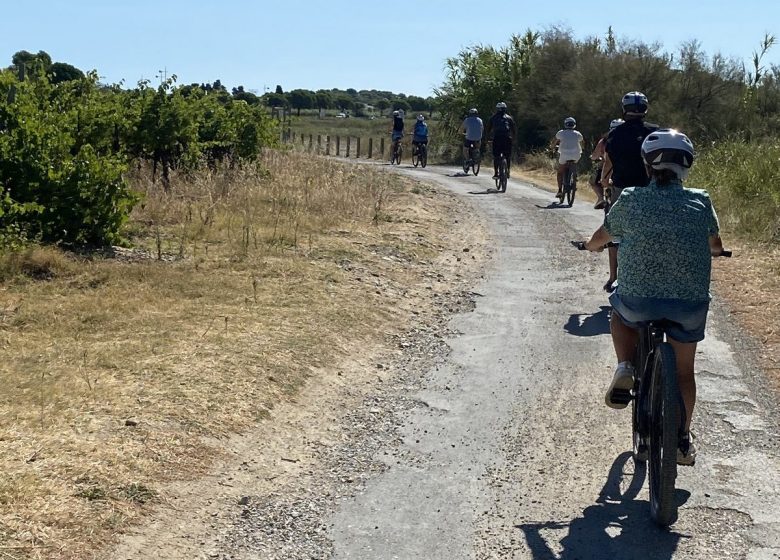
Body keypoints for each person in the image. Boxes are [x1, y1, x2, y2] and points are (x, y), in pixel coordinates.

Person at [582, 128, 726, 466]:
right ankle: (682, 441)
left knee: (618, 312)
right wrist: (715, 251)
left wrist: (589, 247)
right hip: (688, 305)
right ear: (686, 167)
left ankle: (624, 366)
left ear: (647, 165)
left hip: (638, 300)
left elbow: (601, 238)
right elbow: (715, 246)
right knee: (684, 374)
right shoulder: (701, 200)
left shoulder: (631, 198)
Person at [601, 92, 659, 293]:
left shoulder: (615, 134)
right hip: (650, 189)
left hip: (622, 190)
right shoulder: (655, 132)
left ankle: (613, 277)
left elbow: (609, 162)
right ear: (645, 109)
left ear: (624, 110)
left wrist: (603, 181)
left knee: (615, 233)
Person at [589, 119, 624, 209]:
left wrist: (592, 158)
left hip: (608, 166)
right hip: (624, 167)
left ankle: (601, 198)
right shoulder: (629, 139)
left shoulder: (604, 140)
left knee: (594, 181)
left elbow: (595, 155)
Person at [550, 117, 584, 201]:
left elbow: (555, 141)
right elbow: (582, 142)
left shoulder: (561, 133)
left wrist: (552, 147)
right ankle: (574, 175)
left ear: (565, 124)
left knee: (560, 172)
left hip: (564, 155)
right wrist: (582, 148)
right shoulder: (578, 133)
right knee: (575, 162)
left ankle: (560, 190)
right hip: (576, 155)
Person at [486, 102, 516, 179]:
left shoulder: (493, 118)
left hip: (497, 139)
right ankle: (508, 171)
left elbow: (488, 130)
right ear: (505, 109)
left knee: (496, 156)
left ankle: (496, 173)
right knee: (507, 156)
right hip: (507, 138)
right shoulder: (509, 118)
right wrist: (513, 139)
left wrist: (488, 139)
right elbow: (513, 130)